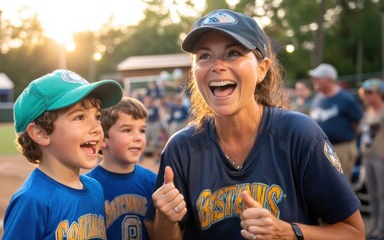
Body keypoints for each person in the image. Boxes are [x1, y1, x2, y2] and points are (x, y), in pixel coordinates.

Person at [145, 9, 365, 240]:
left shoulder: (299, 134)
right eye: (204, 56)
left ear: (262, 68)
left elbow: (354, 233)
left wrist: (287, 232)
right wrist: (166, 218)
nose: (217, 65)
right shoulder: (181, 148)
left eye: (232, 53)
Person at [3, 69, 123, 239]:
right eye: (79, 117)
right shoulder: (32, 200)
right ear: (41, 133)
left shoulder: (95, 188)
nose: (97, 127)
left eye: (97, 116)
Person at [86, 96, 157, 240]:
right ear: (103, 139)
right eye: (127, 130)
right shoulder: (87, 186)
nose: (138, 138)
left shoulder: (152, 181)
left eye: (142, 130)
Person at [308, 63, 363, 181]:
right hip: (321, 149)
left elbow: (357, 122)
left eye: (317, 78)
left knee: (341, 185)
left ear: (328, 79)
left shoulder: (345, 98)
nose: (314, 80)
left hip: (341, 148)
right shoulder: (317, 99)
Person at [358, 79, 384, 240]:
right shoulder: (368, 111)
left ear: (378, 93)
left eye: (369, 92)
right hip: (368, 156)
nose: (366, 95)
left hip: (380, 156)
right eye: (364, 92)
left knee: (382, 194)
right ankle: (374, 226)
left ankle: (381, 229)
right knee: (372, 193)